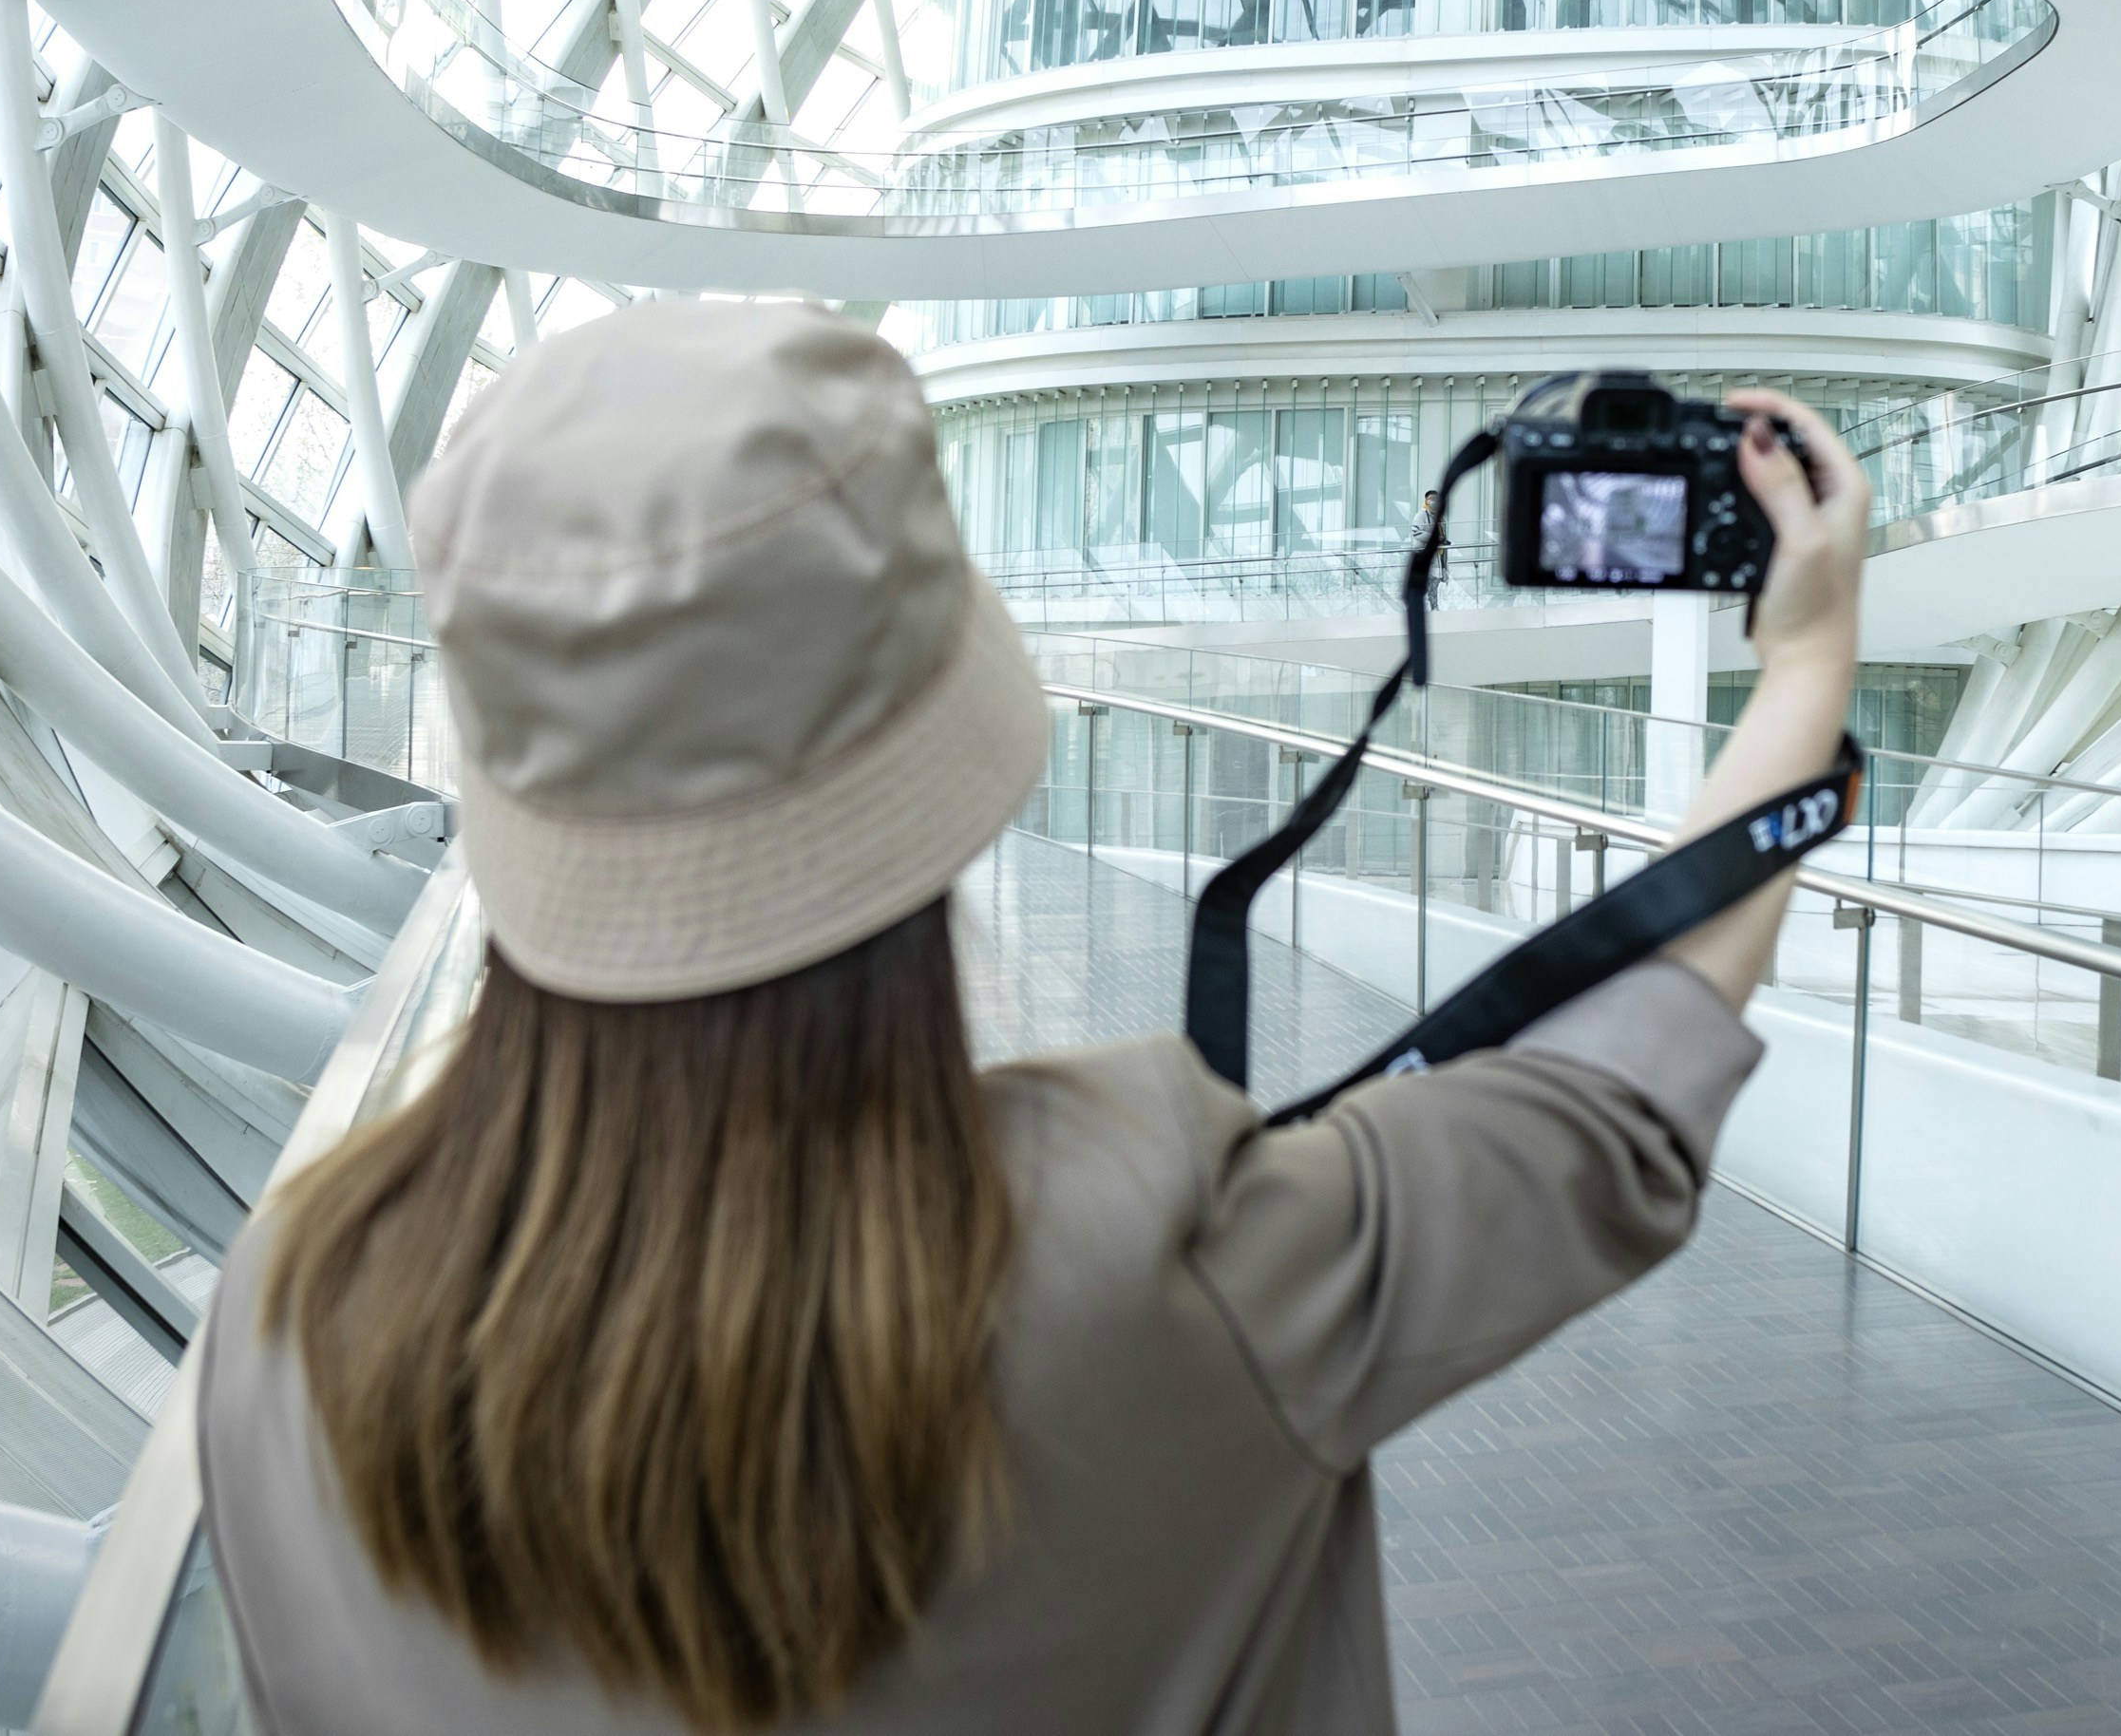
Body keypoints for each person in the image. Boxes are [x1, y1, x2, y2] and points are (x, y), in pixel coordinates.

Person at [197, 302, 1869, 1733]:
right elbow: (1608, 1114)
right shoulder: (1165, 1257)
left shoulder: (282, 1327)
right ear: (933, 771)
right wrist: (1805, 662)